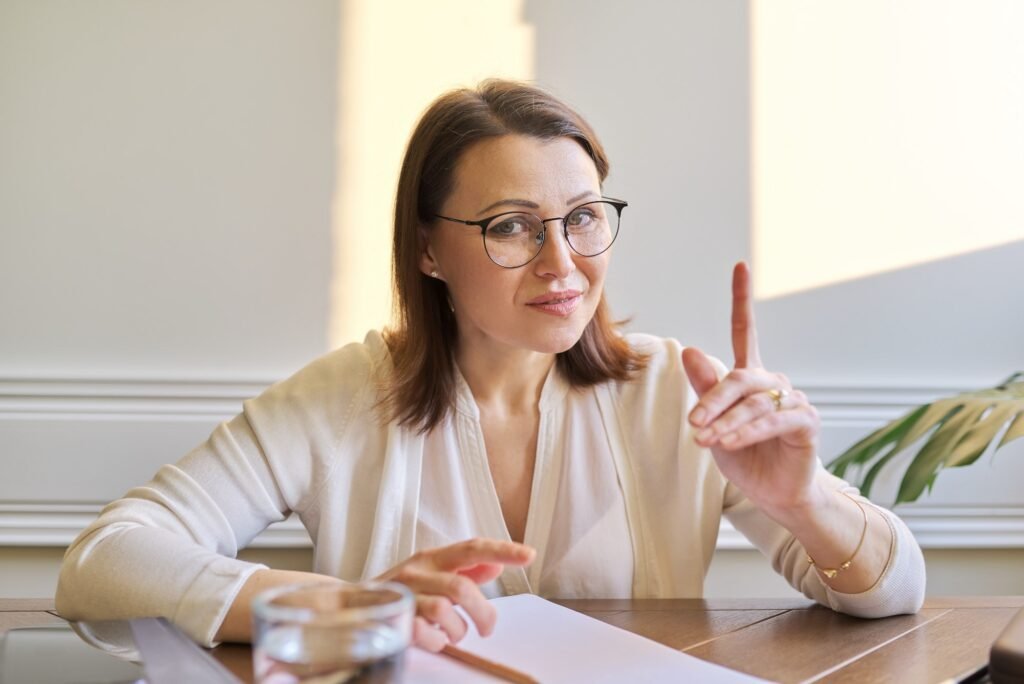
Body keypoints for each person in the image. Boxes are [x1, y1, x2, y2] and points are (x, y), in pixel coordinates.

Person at [56, 79, 925, 651]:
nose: (563, 263)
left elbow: (894, 595)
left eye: (584, 218)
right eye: (512, 225)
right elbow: (101, 563)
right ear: (429, 248)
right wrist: (342, 607)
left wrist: (800, 501)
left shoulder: (675, 393)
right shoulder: (340, 400)